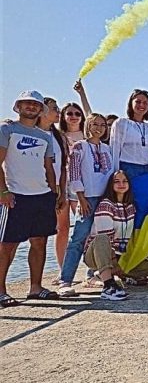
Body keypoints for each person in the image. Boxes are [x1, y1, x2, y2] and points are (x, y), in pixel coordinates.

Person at [0, 91, 59, 306]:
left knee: (40, 241)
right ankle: (1, 291)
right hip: (16, 195)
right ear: (18, 106)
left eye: (35, 104)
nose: (31, 107)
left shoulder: (45, 137)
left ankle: (36, 288)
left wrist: (53, 193)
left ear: (41, 109)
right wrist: (3, 191)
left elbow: (48, 167)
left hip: (41, 196)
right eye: (27, 103)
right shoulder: (7, 129)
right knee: (8, 244)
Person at [58, 113, 114, 296]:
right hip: (87, 198)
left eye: (102, 125)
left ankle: (94, 274)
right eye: (95, 124)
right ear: (88, 125)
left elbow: (110, 173)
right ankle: (65, 280)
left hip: (104, 199)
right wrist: (81, 198)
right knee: (79, 238)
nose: (99, 128)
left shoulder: (107, 148)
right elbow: (74, 174)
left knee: (101, 236)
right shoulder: (79, 146)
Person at [83, 171, 148, 300]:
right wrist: (114, 263)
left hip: (119, 254)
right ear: (111, 185)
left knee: (147, 268)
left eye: (125, 181)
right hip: (97, 254)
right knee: (102, 238)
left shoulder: (131, 207)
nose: (121, 184)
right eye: (117, 182)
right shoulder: (106, 205)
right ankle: (108, 286)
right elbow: (105, 236)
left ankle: (104, 275)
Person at [37, 97, 69, 279]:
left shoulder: (59, 136)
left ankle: (63, 270)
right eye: (54, 108)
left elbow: (63, 167)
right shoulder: (33, 133)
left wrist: (62, 192)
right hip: (37, 188)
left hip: (57, 188)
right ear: (42, 111)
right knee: (37, 234)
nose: (58, 112)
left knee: (62, 228)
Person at [110, 89, 148, 180]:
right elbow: (114, 151)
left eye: (145, 103)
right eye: (138, 102)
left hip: (147, 171)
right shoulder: (121, 123)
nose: (141, 105)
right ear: (131, 103)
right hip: (127, 170)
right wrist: (116, 176)